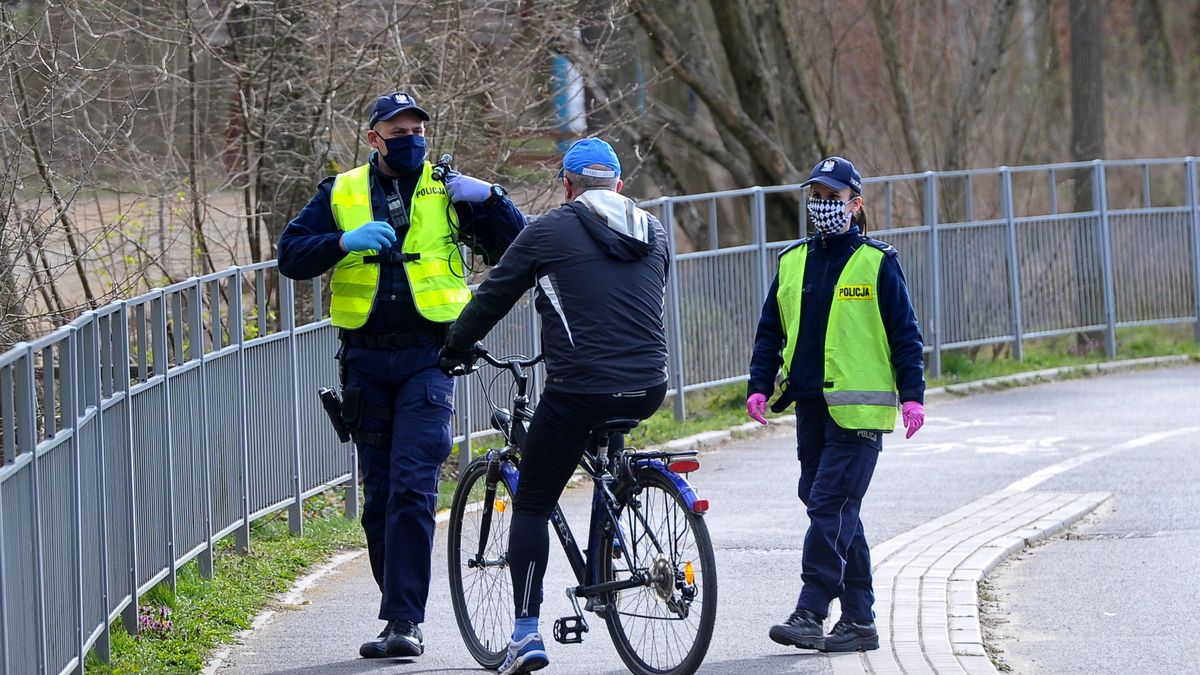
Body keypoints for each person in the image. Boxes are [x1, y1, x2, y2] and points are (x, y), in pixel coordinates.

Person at [276, 91, 526, 659]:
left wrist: (494, 199)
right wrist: (343, 241)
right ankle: (398, 608)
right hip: (364, 361)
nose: (410, 138)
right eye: (398, 129)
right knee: (379, 497)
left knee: (413, 488)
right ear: (374, 138)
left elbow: (516, 246)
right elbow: (291, 255)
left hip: (430, 357)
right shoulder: (340, 192)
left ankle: (404, 622)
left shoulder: (448, 189)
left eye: (418, 129)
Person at [437, 138, 670, 674]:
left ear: (567, 186)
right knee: (600, 444)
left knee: (535, 500)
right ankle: (608, 543)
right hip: (649, 384)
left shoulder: (546, 230)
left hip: (580, 387)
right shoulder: (653, 231)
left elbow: (494, 294)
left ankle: (524, 633)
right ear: (618, 184)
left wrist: (453, 346)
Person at [746, 156, 926, 653]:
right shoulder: (792, 262)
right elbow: (770, 332)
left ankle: (811, 609)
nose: (823, 205)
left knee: (830, 505)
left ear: (856, 204)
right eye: (817, 196)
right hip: (809, 407)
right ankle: (861, 620)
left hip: (859, 413)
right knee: (834, 508)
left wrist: (913, 395)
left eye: (833, 197)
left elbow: (905, 336)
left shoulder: (877, 262)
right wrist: (758, 385)